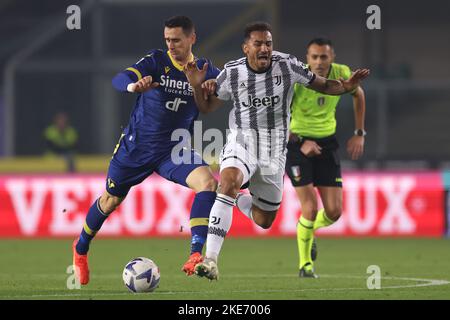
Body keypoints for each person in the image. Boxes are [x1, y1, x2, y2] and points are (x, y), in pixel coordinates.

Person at [183, 22, 369, 280]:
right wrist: (196, 86)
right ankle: (211, 259)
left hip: (274, 150)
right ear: (246, 47)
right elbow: (207, 108)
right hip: (242, 140)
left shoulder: (288, 65)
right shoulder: (232, 72)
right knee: (228, 181)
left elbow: (324, 85)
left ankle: (235, 197)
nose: (264, 48)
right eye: (258, 43)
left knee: (264, 220)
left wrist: (347, 86)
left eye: (268, 43)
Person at [72, 15, 221, 285]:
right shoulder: (156, 61)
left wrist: (213, 87)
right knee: (110, 201)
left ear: (192, 38)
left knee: (208, 182)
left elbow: (228, 90)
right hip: (136, 148)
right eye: (167, 40)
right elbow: (121, 78)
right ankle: (80, 249)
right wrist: (133, 85)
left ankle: (195, 254)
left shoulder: (205, 69)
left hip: (172, 151)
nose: (171, 45)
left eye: (176, 40)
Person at [285, 38, 367, 278]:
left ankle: (308, 232)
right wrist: (301, 142)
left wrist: (359, 133)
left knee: (334, 212)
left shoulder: (341, 73)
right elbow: (279, 118)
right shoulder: (298, 77)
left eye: (324, 57)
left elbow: (358, 94)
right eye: (314, 57)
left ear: (332, 57)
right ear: (307, 58)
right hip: (297, 145)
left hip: (327, 143)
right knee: (309, 208)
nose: (319, 62)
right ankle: (305, 266)